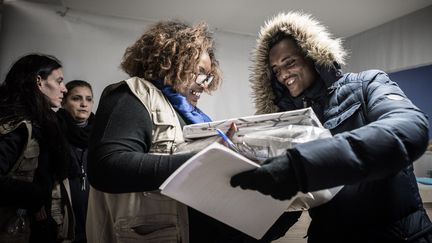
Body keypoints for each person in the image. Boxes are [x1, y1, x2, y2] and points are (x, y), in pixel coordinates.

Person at [230, 11, 432, 242]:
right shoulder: (289, 122)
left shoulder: (367, 85)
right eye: (275, 70)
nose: (283, 74)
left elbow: (409, 129)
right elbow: (291, 201)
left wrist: (303, 166)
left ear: (312, 57)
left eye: (290, 62)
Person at [86, 20, 294, 243]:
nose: (205, 84)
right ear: (172, 63)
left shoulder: (192, 117)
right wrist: (209, 160)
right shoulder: (133, 95)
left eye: (209, 76)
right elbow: (106, 167)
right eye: (200, 73)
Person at [0, 54, 74, 242]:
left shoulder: (47, 122)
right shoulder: (16, 127)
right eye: (59, 81)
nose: (64, 89)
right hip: (14, 229)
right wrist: (34, 195)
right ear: (39, 82)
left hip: (41, 227)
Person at [57, 80, 94, 243]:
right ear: (63, 102)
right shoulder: (52, 130)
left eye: (89, 99)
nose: (84, 104)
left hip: (95, 217)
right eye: (76, 98)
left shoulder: (102, 134)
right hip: (63, 216)